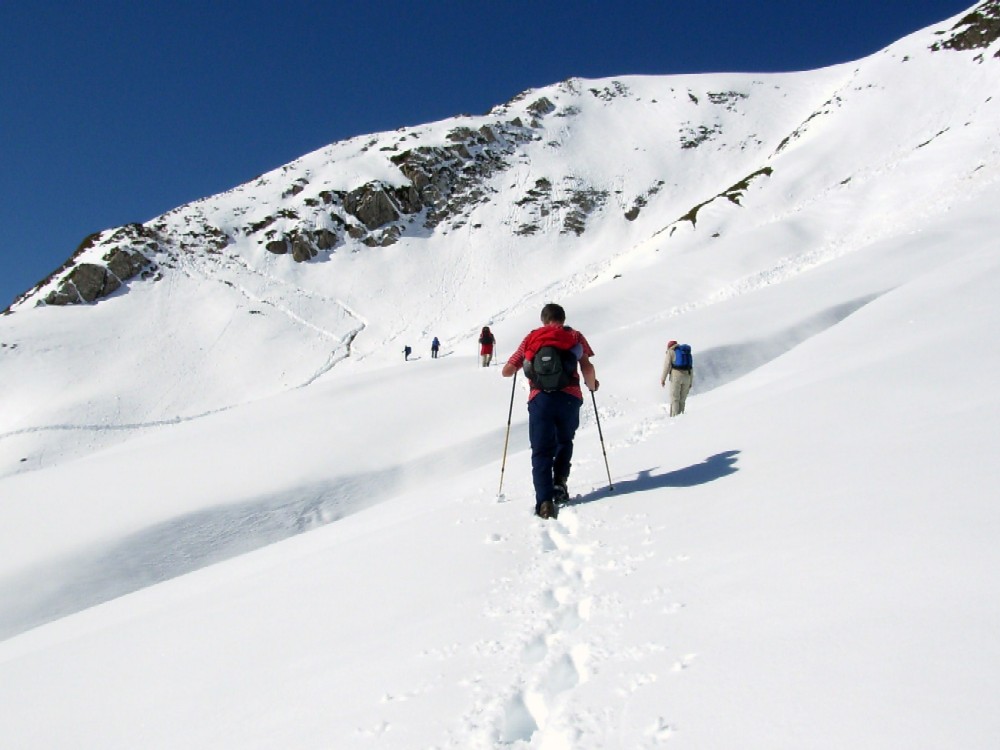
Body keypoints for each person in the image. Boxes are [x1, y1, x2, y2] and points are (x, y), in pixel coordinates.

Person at [502, 303, 598, 519]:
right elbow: (587, 367)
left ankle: (544, 501)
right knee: (565, 440)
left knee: (541, 450)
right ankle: (559, 484)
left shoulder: (532, 337)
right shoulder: (574, 336)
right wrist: (592, 386)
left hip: (540, 400)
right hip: (570, 398)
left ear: (543, 320)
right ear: (563, 319)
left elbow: (507, 371)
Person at [660, 340, 693, 416]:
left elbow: (667, 366)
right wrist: (690, 382)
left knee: (675, 399)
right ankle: (681, 416)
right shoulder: (686, 352)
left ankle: (674, 418)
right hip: (687, 377)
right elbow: (691, 368)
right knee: (682, 400)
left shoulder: (671, 352)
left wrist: (663, 379)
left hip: (676, 377)